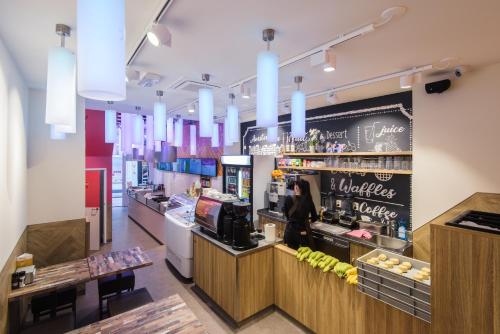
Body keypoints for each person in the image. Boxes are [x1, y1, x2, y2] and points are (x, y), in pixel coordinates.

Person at [283, 179, 318, 250]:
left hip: (290, 232)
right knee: (303, 256)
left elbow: (287, 215)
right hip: (302, 233)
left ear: (297, 188)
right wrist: (306, 220)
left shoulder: (288, 199)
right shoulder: (309, 201)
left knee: (291, 255)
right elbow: (314, 218)